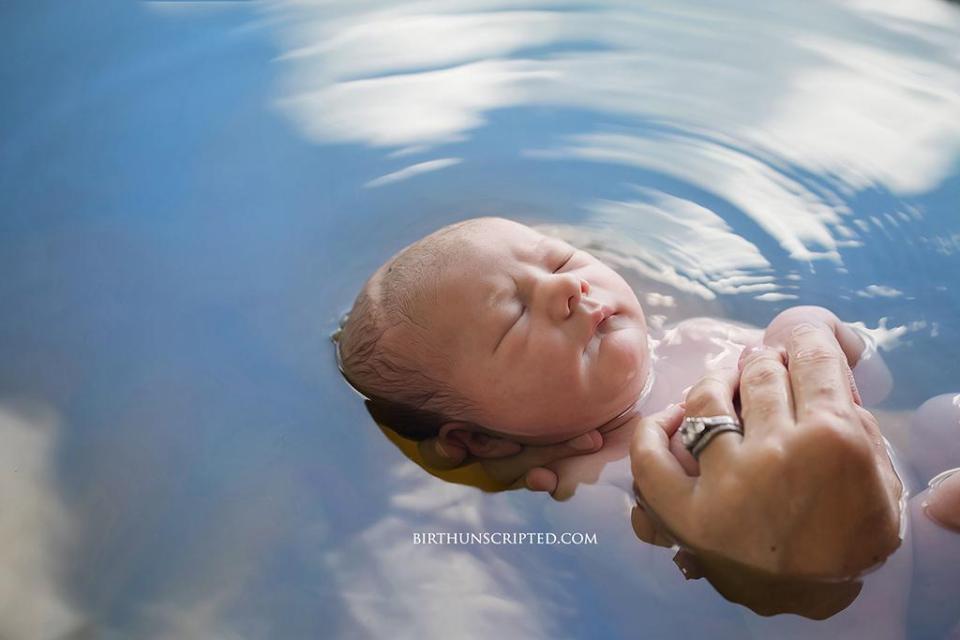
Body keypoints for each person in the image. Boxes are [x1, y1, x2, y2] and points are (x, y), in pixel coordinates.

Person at [334, 216, 955, 582]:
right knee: (931, 525)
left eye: (560, 258)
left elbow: (874, 390)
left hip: (899, 454)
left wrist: (815, 329)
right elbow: (695, 581)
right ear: (479, 438)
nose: (566, 288)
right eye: (515, 316)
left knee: (940, 418)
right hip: (874, 561)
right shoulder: (590, 487)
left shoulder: (698, 335)